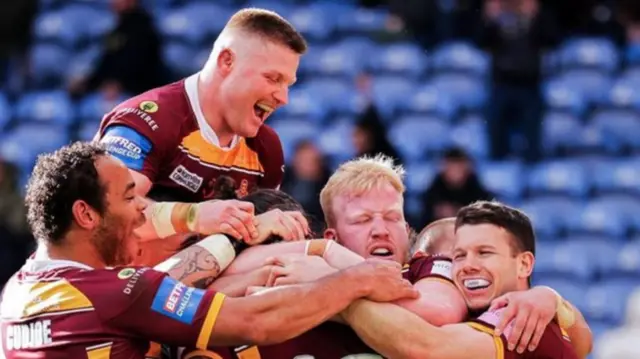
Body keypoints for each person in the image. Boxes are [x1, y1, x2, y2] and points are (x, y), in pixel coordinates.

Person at [0, 142, 419, 358]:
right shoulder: (119, 292)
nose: (141, 216)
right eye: (130, 200)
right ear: (86, 215)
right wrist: (356, 279)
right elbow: (257, 320)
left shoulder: (17, 291)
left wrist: (238, 245)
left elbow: (161, 291)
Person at [178, 156, 590, 358]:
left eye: (392, 217)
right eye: (364, 220)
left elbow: (437, 316)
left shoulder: (426, 267)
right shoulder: (295, 266)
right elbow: (191, 299)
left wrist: (328, 280)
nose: (381, 228)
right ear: (336, 232)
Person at [94, 8, 309, 247]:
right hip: (114, 279)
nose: (284, 98)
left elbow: (251, 244)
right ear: (227, 61)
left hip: (205, 278)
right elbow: (107, 217)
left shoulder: (266, 148)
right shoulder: (147, 121)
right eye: (273, 78)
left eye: (288, 84)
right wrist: (193, 217)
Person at [340, 201, 593, 359]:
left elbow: (424, 348)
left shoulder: (519, 320)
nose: (468, 266)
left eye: (484, 252)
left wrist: (340, 295)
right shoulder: (483, 315)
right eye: (458, 256)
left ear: (524, 264)